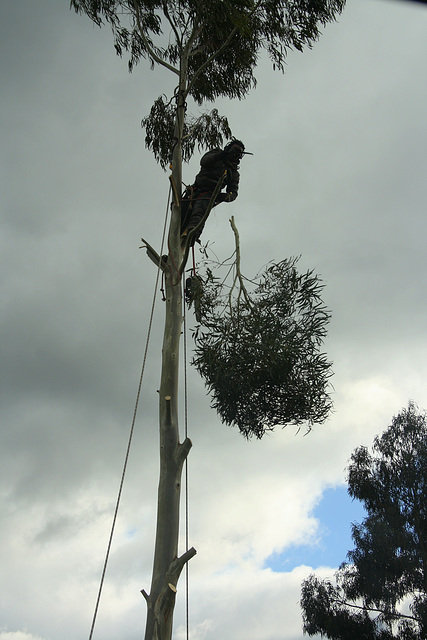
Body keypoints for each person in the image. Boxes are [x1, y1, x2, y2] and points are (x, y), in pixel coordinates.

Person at [181, 139, 248, 246]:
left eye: (239, 153)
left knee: (199, 212)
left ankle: (192, 234)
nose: (236, 155)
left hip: (208, 196)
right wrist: (221, 155)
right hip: (194, 191)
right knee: (180, 218)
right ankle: (173, 251)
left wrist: (222, 197)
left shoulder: (234, 173)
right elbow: (204, 161)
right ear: (229, 148)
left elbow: (233, 193)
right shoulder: (217, 154)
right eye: (235, 150)